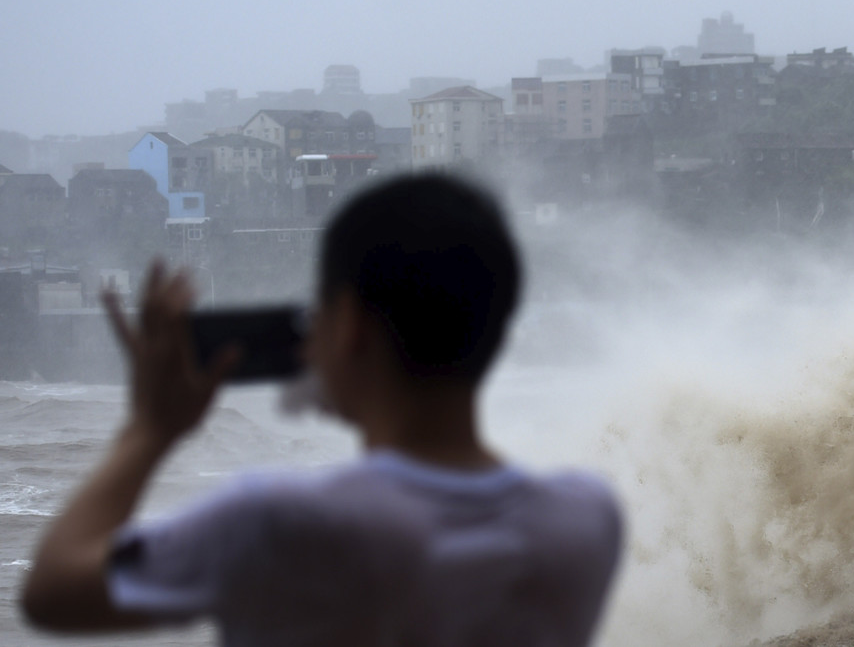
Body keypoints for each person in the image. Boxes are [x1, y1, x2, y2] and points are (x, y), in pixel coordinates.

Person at [19, 173, 624, 646]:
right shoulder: (586, 522)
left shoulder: (276, 524)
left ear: (353, 325)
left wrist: (149, 429)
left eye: (319, 313)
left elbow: (49, 592)